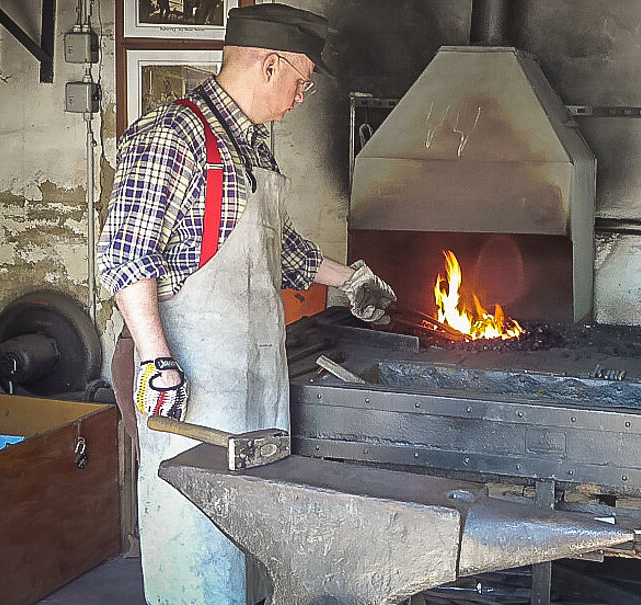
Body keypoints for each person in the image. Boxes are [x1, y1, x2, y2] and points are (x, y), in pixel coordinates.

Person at [96, 5, 395, 604]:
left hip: (258, 392)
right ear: (269, 64)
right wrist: (156, 360)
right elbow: (123, 258)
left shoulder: (254, 148)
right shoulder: (172, 138)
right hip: (194, 398)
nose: (303, 94)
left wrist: (351, 279)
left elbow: (283, 252)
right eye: (302, 79)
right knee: (199, 557)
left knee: (257, 557)